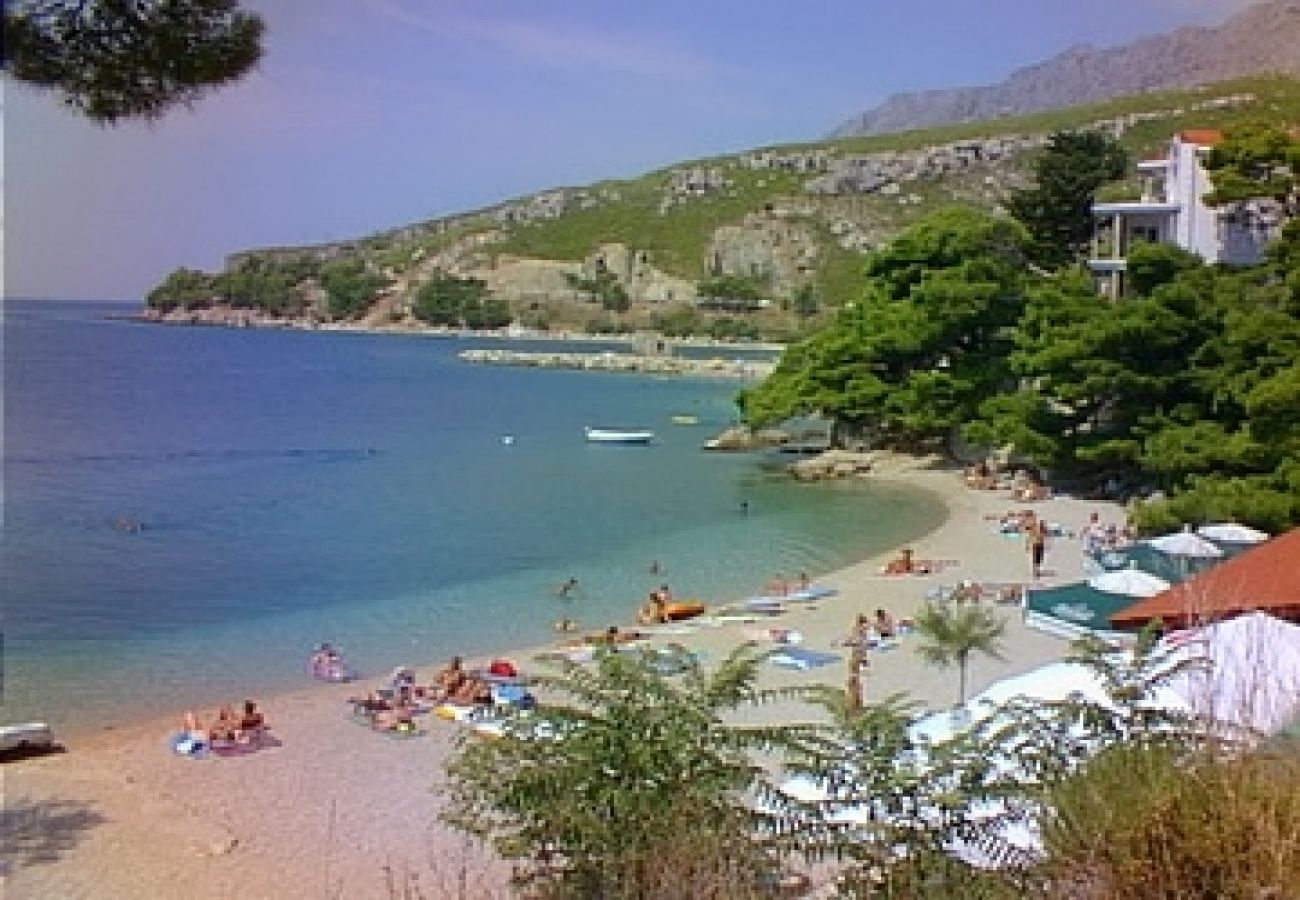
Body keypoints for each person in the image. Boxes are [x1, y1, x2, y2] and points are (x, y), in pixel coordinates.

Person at [1027, 515, 1048, 579]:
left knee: (1039, 558)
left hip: (1040, 544)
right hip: (1036, 544)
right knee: (1036, 558)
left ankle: (1037, 571)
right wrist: (1028, 544)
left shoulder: (1042, 530)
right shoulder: (1035, 529)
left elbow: (1045, 536)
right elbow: (1030, 537)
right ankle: (1035, 571)